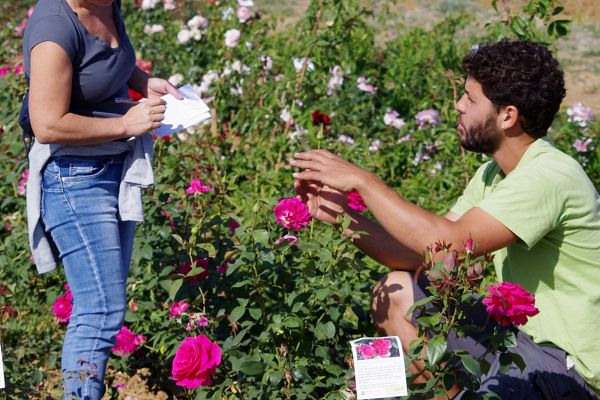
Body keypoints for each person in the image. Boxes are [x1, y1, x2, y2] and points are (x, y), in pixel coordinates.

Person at [291, 39, 600, 399]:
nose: (458, 105)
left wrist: (363, 180)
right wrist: (344, 217)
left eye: (470, 99)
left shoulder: (548, 176)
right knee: (395, 293)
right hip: (519, 342)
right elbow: (432, 255)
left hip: (567, 371)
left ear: (508, 116)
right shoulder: (493, 173)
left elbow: (450, 242)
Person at [22, 0, 182, 398]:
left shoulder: (108, 4)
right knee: (99, 312)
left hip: (113, 168)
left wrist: (143, 81)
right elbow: (46, 123)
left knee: (104, 307)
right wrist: (125, 123)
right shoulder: (55, 27)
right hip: (75, 180)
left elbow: (105, 62)